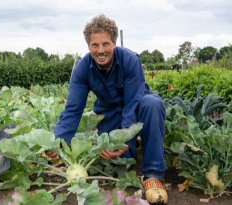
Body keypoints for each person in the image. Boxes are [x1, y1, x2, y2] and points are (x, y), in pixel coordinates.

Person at [46, 14, 168, 204]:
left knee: (152, 104)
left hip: (137, 104)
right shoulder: (82, 69)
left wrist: (122, 140)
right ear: (88, 46)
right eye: (95, 45)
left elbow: (131, 106)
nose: (100, 50)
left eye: (106, 44)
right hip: (109, 111)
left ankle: (152, 173)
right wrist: (57, 141)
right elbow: (73, 109)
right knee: (117, 160)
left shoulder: (130, 60)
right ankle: (132, 149)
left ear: (114, 43)